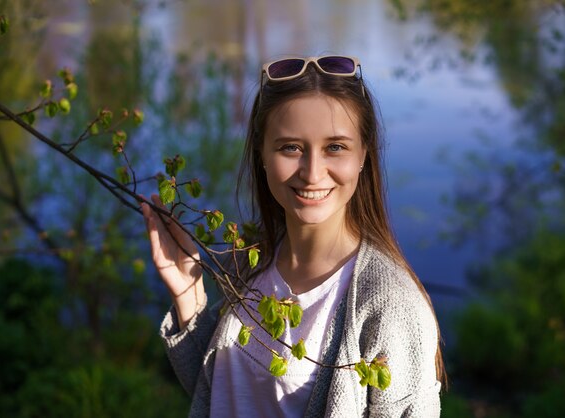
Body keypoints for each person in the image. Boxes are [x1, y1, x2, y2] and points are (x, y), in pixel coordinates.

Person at [141, 55, 445, 417]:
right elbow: (219, 394)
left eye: (335, 147)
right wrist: (189, 296)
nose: (313, 173)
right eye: (291, 148)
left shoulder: (389, 304)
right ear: (262, 154)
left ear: (363, 154)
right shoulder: (249, 261)